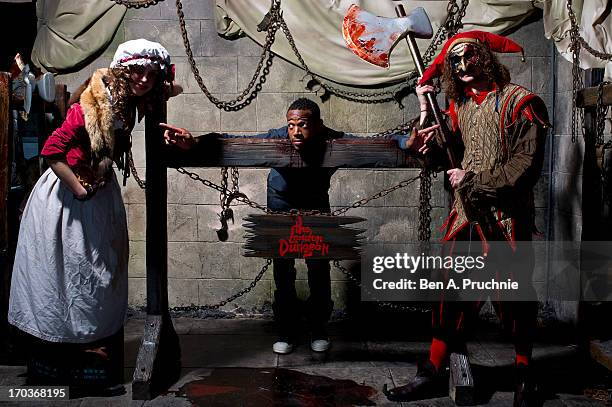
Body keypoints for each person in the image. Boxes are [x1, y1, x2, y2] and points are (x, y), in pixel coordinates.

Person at [163, 97, 404, 355]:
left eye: (302, 125)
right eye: (291, 125)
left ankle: (318, 328)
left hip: (315, 204)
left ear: (319, 125)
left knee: (318, 266)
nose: (295, 132)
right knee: (283, 269)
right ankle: (286, 329)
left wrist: (404, 142)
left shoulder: (332, 138)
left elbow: (370, 144)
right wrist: (196, 142)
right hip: (280, 202)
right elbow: (230, 139)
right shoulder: (277, 137)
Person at [383, 31, 549, 407]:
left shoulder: (522, 104)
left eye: (468, 57)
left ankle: (524, 374)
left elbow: (525, 167)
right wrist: (423, 128)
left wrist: (473, 179)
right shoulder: (460, 109)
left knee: (514, 298)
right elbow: (442, 155)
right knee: (451, 295)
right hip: (465, 219)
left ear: (486, 58)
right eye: (453, 62)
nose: (461, 67)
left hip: (506, 220)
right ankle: (431, 371)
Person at [8, 39, 179, 393]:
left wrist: (164, 84)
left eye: (151, 73)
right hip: (68, 196)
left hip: (97, 192)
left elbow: (170, 87)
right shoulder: (94, 103)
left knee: (100, 272)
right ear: (121, 70)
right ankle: (60, 365)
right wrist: (80, 190)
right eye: (137, 70)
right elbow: (52, 150)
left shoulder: (130, 96)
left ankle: (92, 358)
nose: (144, 79)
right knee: (67, 273)